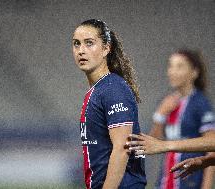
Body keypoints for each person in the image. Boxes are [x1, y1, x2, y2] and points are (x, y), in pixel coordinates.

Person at [72, 19, 146, 189]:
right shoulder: (99, 90)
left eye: (89, 43)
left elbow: (122, 147)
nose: (81, 50)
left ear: (106, 48)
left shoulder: (113, 89)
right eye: (76, 44)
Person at [127, 48, 215, 189]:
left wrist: (206, 186)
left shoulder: (200, 103)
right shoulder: (168, 102)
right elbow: (154, 141)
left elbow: (212, 146)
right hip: (166, 181)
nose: (172, 71)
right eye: (170, 66)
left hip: (191, 182)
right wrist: (160, 115)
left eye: (179, 66)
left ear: (194, 72)